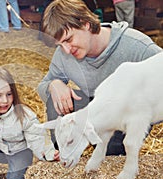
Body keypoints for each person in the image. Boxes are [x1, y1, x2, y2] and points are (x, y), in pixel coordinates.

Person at [38, 0, 162, 155]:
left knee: (108, 152)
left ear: (85, 24)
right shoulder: (64, 54)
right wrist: (53, 85)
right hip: (96, 104)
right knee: (55, 100)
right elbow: (43, 86)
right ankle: (62, 155)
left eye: (69, 40)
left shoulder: (137, 47)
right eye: (60, 45)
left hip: (126, 112)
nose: (66, 50)